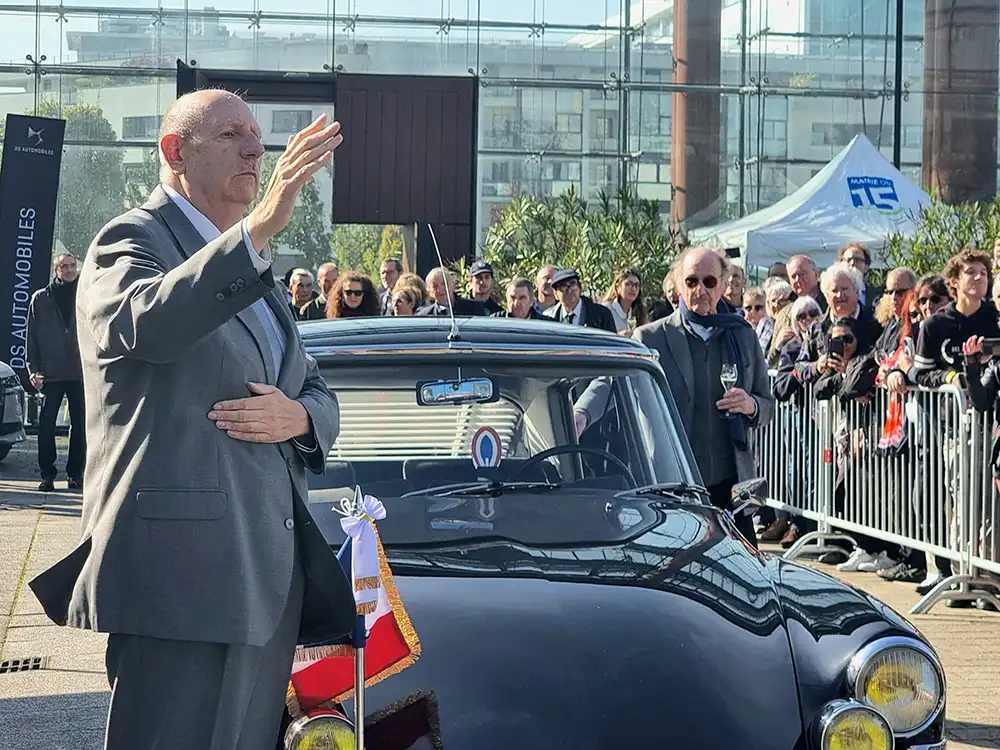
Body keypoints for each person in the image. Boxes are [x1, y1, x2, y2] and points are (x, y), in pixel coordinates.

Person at [28, 90, 356, 750]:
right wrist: (256, 232)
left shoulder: (253, 268)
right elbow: (146, 324)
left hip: (263, 577)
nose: (255, 149)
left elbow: (315, 389)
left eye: (257, 136)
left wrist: (298, 416)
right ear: (176, 152)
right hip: (183, 582)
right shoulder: (130, 240)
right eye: (232, 134)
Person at [574, 247, 774, 548]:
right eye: (691, 281)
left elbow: (767, 405)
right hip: (670, 481)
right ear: (679, 285)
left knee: (742, 569)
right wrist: (580, 415)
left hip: (730, 483)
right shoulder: (651, 336)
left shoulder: (742, 335)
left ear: (723, 284)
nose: (700, 290)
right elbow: (610, 380)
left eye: (709, 282)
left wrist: (751, 405)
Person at [26, 252, 86, 491]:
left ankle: (75, 475)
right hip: (51, 374)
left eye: (72, 266)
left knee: (80, 426)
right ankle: (47, 475)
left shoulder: (86, 295)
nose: (69, 270)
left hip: (80, 374)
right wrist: (33, 369)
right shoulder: (41, 299)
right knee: (46, 425)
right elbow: (31, 338)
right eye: (64, 266)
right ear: (56, 270)